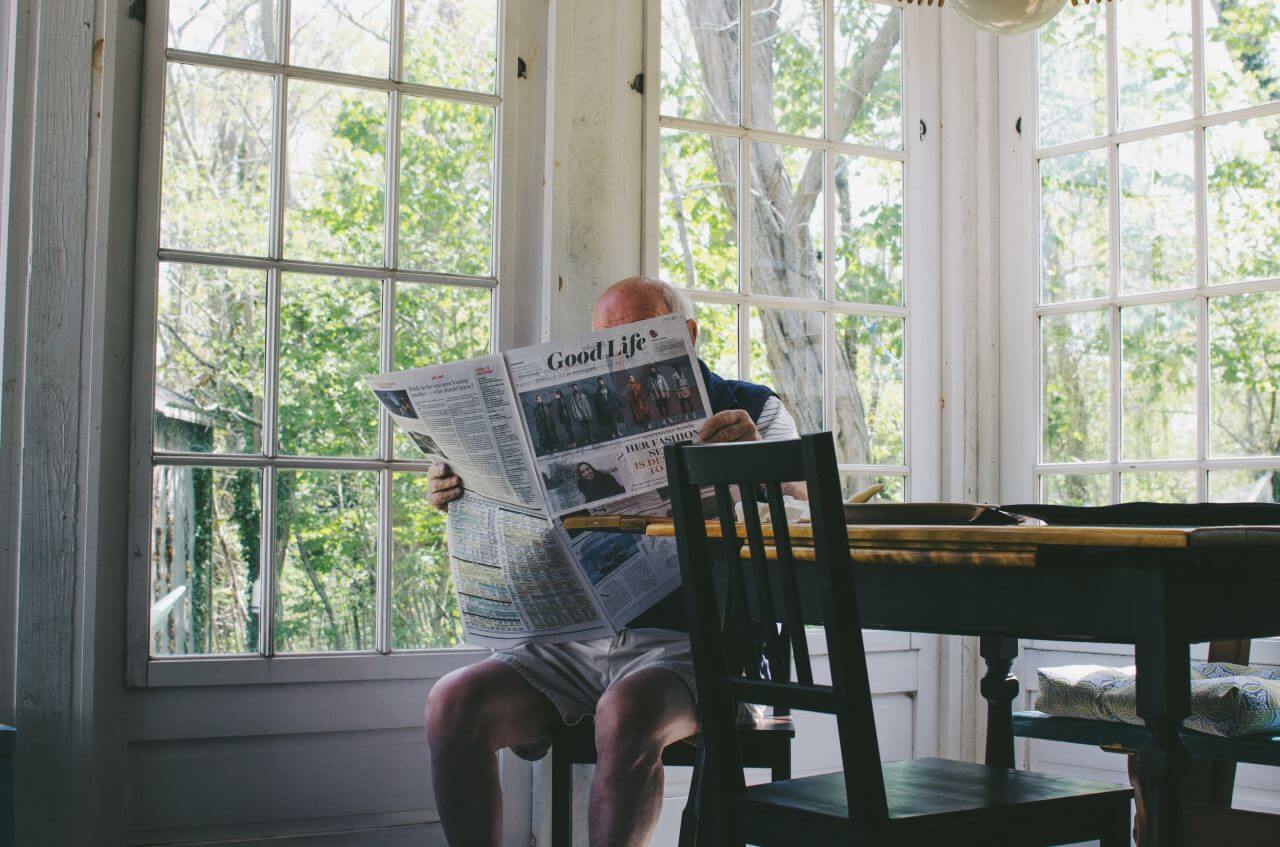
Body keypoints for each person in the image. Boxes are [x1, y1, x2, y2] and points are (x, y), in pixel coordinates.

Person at [423, 276, 802, 847]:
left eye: (636, 339)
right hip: (571, 640)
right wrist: (455, 485)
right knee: (451, 704)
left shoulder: (750, 408)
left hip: (692, 645)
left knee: (625, 713)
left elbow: (806, 516)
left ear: (687, 335)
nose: (618, 362)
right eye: (605, 344)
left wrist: (754, 465)